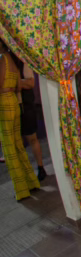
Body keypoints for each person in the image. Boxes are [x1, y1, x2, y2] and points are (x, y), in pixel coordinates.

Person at [0, 40, 41, 200]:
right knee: (18, 145)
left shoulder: (2, 60)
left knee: (10, 149)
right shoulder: (12, 60)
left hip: (4, 103)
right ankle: (31, 182)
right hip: (14, 102)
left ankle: (21, 190)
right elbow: (18, 86)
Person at [10, 54, 46, 181]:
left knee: (32, 138)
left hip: (26, 105)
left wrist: (14, 83)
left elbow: (31, 83)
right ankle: (25, 172)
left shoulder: (22, 60)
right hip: (12, 105)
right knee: (17, 142)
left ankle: (40, 167)